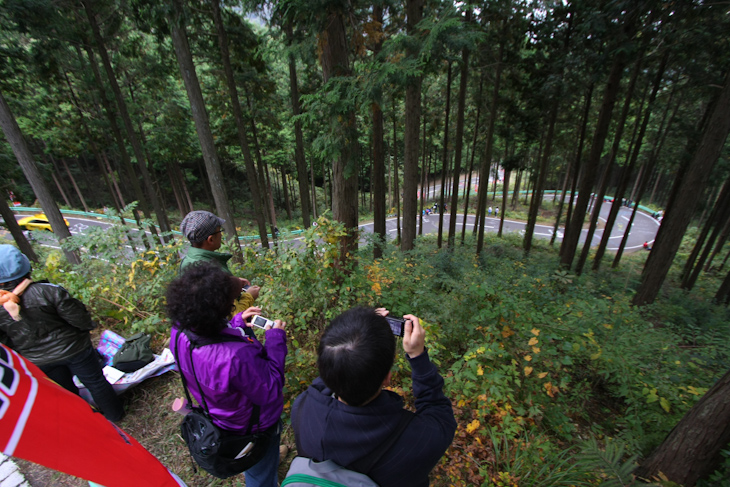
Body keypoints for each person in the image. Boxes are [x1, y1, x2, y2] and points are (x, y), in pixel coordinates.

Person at [291, 307, 456, 487]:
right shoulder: (417, 441)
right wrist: (417, 356)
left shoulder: (303, 408)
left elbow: (333, 371)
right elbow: (439, 413)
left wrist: (362, 327)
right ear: (387, 378)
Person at [166, 263, 287, 487]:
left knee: (256, 462)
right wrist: (275, 339)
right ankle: (262, 472)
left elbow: (209, 342)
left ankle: (263, 464)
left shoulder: (179, 331)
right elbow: (270, 388)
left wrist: (235, 323)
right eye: (229, 306)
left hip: (217, 414)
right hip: (252, 426)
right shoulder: (235, 357)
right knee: (259, 470)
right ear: (216, 312)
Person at [0, 245, 124, 421]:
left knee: (65, 391)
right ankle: (115, 415)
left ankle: (87, 420)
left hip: (38, 359)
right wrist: (85, 330)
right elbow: (79, 318)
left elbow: (5, 341)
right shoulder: (49, 291)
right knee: (95, 382)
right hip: (75, 348)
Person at [179, 210, 260, 313]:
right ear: (211, 239)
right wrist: (249, 296)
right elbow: (230, 316)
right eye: (219, 231)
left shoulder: (188, 261)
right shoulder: (211, 271)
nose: (221, 235)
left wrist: (229, 282)